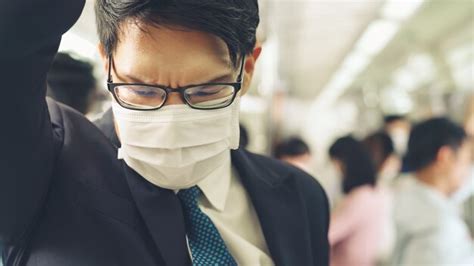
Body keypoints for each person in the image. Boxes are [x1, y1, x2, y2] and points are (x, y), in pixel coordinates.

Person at [0, 0, 330, 265]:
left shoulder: (302, 198)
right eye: (141, 90)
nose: (172, 120)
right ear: (107, 63)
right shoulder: (44, 172)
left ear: (246, 70)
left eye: (204, 91)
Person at [391, 117, 473, 266]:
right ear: (445, 156)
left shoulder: (405, 192)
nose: (467, 172)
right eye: (466, 161)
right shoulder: (439, 229)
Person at [328, 136, 390, 266]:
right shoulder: (378, 192)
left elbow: (326, 235)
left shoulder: (360, 198)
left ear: (345, 163)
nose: (337, 172)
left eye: (336, 165)